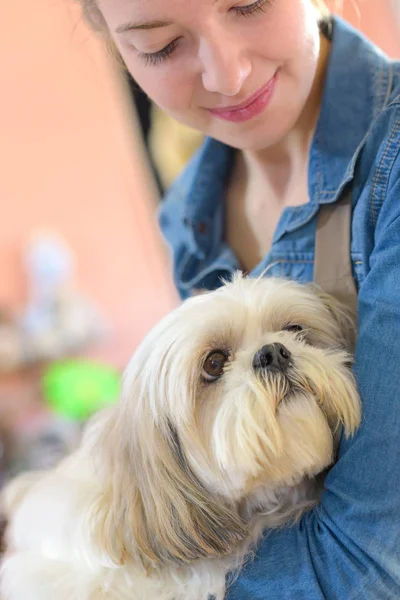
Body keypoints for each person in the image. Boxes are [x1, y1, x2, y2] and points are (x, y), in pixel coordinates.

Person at [77, 0, 400, 597]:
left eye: (249, 5)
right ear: (118, 52)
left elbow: (371, 562)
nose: (228, 75)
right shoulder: (188, 220)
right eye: (161, 46)